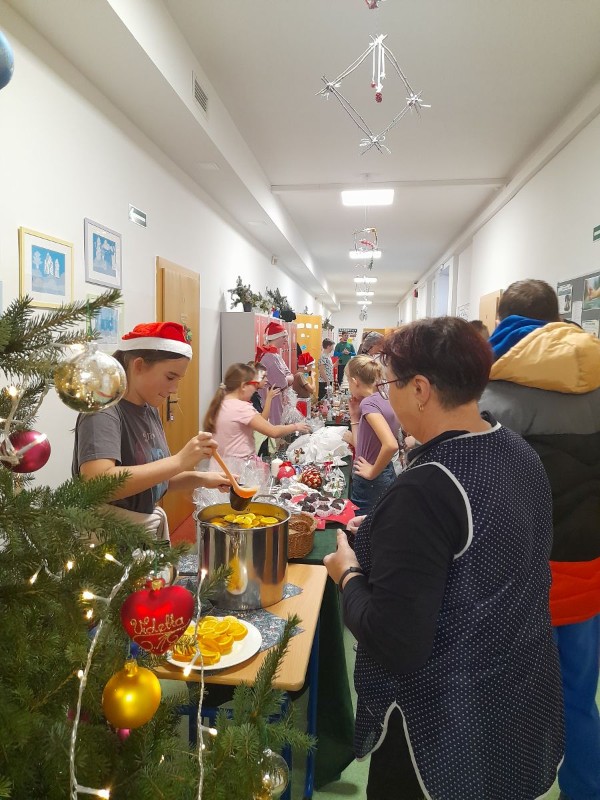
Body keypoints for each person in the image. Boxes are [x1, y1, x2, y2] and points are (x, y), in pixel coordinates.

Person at [324, 317, 564, 800]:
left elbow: (394, 639)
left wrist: (347, 573)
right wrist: (391, 534)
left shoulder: (428, 485)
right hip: (519, 696)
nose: (387, 397)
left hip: (445, 725)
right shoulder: (517, 450)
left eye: (390, 384)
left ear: (419, 389)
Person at [480, 279, 600, 800]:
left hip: (520, 577)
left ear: (503, 319)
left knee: (506, 702)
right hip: (590, 569)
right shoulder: (597, 375)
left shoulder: (493, 390)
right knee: (579, 699)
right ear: (557, 315)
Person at [72, 322, 230, 541]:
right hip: (107, 539)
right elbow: (98, 482)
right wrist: (179, 461)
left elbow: (154, 479)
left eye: (178, 380)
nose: (174, 389)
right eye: (170, 377)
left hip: (140, 535)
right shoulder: (104, 411)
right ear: (138, 365)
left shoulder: (149, 409)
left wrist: (201, 478)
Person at [203, 363, 309, 462]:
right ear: (243, 386)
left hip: (219, 466)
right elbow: (273, 431)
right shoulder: (241, 408)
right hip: (235, 468)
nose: (254, 389)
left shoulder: (220, 404)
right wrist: (296, 426)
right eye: (253, 384)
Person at [344, 355, 399, 514]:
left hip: (372, 480)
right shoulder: (384, 397)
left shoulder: (369, 403)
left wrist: (372, 471)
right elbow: (362, 446)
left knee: (362, 524)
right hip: (384, 471)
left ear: (355, 381)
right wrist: (354, 417)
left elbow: (391, 444)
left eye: (348, 381)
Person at [256, 320, 293, 425]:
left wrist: (287, 377)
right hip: (270, 401)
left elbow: (288, 374)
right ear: (276, 337)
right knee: (273, 428)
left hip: (275, 399)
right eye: (284, 337)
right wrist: (288, 378)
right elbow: (283, 382)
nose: (286, 340)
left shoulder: (275, 355)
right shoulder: (269, 357)